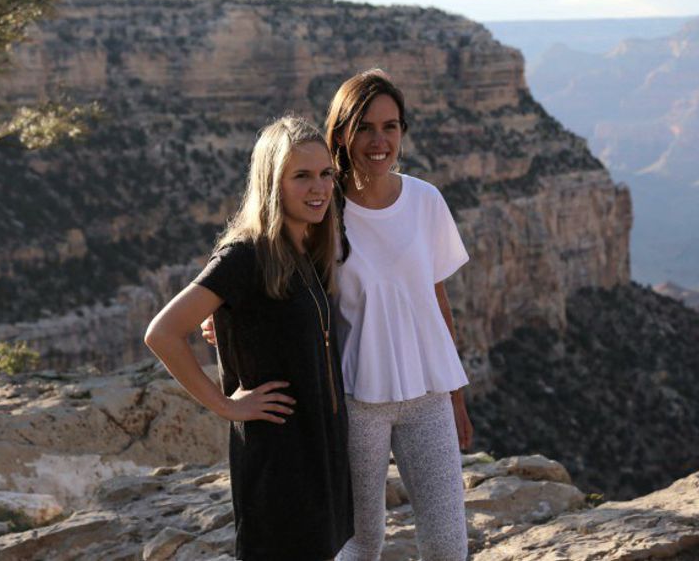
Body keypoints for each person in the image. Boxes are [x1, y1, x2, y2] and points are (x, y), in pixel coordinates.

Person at [204, 70, 473, 560]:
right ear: (342, 134)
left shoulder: (426, 201)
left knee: (448, 544)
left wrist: (456, 394)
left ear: (403, 131)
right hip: (354, 400)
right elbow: (270, 267)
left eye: (390, 127)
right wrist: (225, 316)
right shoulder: (323, 210)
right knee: (359, 543)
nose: (378, 141)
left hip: (429, 395)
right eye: (364, 127)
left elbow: (435, 298)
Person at [145, 116, 353, 561]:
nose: (319, 188)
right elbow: (162, 333)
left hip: (320, 452)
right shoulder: (245, 254)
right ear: (271, 182)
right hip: (278, 463)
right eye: (301, 176)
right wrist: (227, 406)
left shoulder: (305, 250)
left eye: (325, 174)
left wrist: (230, 329)